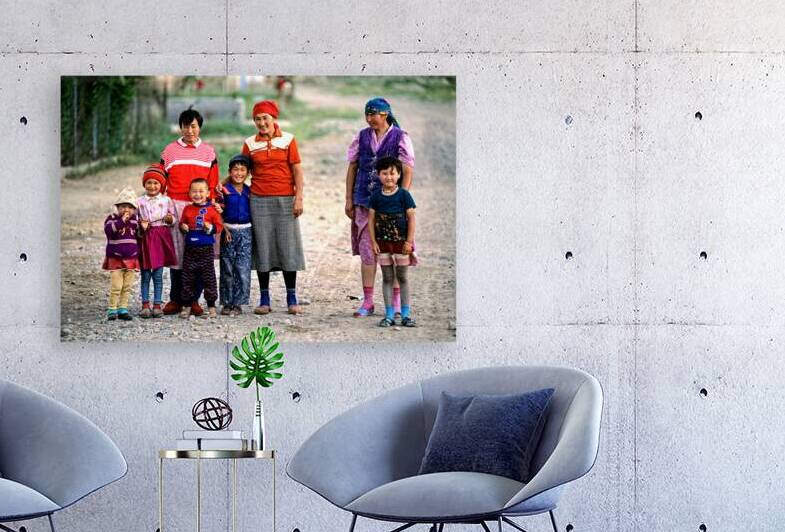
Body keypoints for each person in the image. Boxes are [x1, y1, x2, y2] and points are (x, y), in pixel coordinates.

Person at [345, 97, 415, 318]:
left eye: (374, 114)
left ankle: (395, 303)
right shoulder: (362, 136)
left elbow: (407, 169)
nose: (369, 119)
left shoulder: (401, 137)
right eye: (367, 114)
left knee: (392, 252)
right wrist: (349, 199)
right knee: (368, 251)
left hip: (391, 207)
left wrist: (401, 197)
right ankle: (367, 302)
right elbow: (353, 167)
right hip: (364, 202)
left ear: (385, 114)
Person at [242, 100, 306, 315]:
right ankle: (264, 298)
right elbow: (241, 171)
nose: (261, 123)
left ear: (273, 118)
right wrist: (221, 187)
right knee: (263, 248)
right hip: (258, 200)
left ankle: (291, 297)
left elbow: (297, 170)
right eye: (257, 119)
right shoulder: (250, 143)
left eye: (265, 118)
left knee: (288, 247)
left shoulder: (288, 140)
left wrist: (299, 197)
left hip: (285, 199)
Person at [160, 108, 220, 316]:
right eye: (185, 126)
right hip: (177, 206)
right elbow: (161, 180)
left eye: (193, 126)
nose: (189, 130)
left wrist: (213, 206)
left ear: (199, 127)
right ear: (181, 127)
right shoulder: (169, 151)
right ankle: (176, 299)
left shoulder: (209, 152)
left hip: (201, 208)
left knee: (200, 254)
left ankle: (194, 300)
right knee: (178, 255)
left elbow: (213, 182)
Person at [368, 157, 417, 327]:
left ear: (399, 175)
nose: (389, 177)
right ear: (378, 175)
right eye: (384, 173)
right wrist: (373, 242)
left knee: (402, 277)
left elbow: (411, 219)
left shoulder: (404, 195)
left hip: (401, 244)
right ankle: (389, 314)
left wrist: (409, 242)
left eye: (392, 173)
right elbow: (371, 220)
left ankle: (405, 315)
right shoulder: (376, 196)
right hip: (383, 244)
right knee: (387, 277)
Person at [136, 163, 177, 318]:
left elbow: (173, 218)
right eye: (149, 182)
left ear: (161, 185)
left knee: (158, 275)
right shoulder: (139, 202)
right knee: (145, 274)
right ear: (144, 184)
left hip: (160, 238)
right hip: (146, 238)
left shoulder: (166, 200)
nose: (152, 186)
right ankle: (145, 305)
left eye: (156, 183)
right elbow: (135, 220)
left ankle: (158, 305)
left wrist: (170, 219)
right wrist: (141, 224)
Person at [178, 179, 223, 319]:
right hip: (190, 250)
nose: (197, 194)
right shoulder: (187, 209)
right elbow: (182, 224)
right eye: (194, 191)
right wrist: (183, 227)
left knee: (209, 278)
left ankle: (211, 307)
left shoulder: (212, 209)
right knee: (187, 278)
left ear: (208, 193)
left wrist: (210, 228)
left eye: (201, 191)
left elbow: (219, 226)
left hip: (206, 250)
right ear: (189, 193)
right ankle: (187, 306)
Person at [218, 155, 253, 316]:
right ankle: (227, 302)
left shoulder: (249, 191)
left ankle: (238, 303)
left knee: (242, 268)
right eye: (235, 169)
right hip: (228, 232)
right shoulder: (224, 190)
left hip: (246, 232)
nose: (239, 173)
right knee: (227, 267)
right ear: (229, 172)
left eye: (242, 170)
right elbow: (217, 212)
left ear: (248, 173)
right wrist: (224, 229)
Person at [103, 187, 140, 321]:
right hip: (116, 258)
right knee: (116, 286)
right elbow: (109, 231)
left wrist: (144, 228)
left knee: (127, 286)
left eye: (130, 207)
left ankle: (123, 308)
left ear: (134, 209)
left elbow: (138, 236)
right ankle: (112, 308)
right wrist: (121, 221)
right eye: (123, 206)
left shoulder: (135, 220)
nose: (126, 210)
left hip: (131, 257)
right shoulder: (112, 219)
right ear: (117, 207)